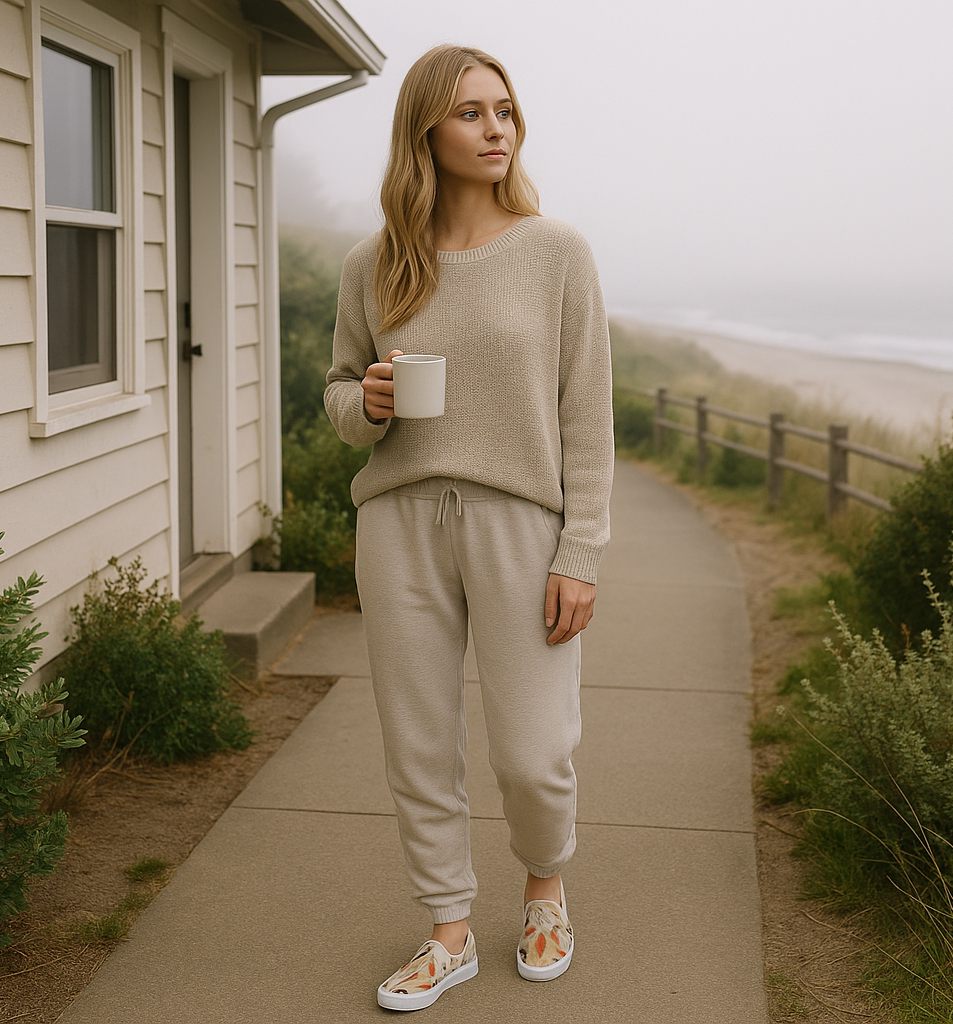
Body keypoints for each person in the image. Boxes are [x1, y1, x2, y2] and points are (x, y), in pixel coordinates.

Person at [324, 43, 614, 1011]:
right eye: (471, 114)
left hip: (519, 525)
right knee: (419, 739)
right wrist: (362, 400)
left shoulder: (556, 252)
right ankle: (446, 926)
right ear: (426, 133)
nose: (496, 130)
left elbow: (587, 417)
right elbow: (337, 394)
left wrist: (581, 552)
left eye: (505, 111)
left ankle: (544, 885)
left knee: (533, 748)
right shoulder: (374, 264)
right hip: (398, 520)